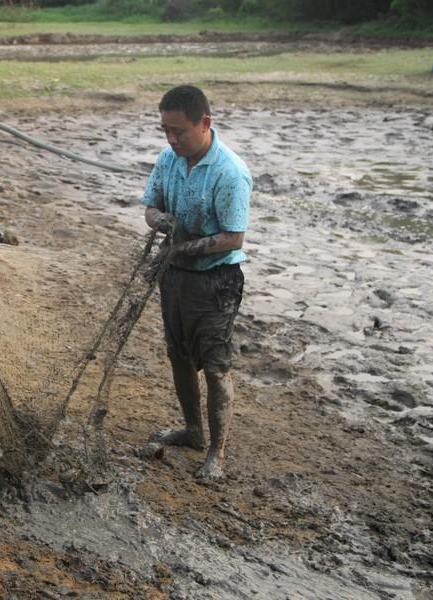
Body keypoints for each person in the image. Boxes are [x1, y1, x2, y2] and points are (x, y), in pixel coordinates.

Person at [142, 85, 251, 480]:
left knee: (216, 366)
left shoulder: (230, 172)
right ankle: (192, 430)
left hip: (215, 281)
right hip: (174, 278)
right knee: (178, 354)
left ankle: (217, 454)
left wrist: (185, 248)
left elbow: (233, 237)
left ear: (205, 123)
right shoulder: (168, 160)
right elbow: (151, 206)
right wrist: (160, 220)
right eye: (165, 131)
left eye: (179, 132)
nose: (171, 140)